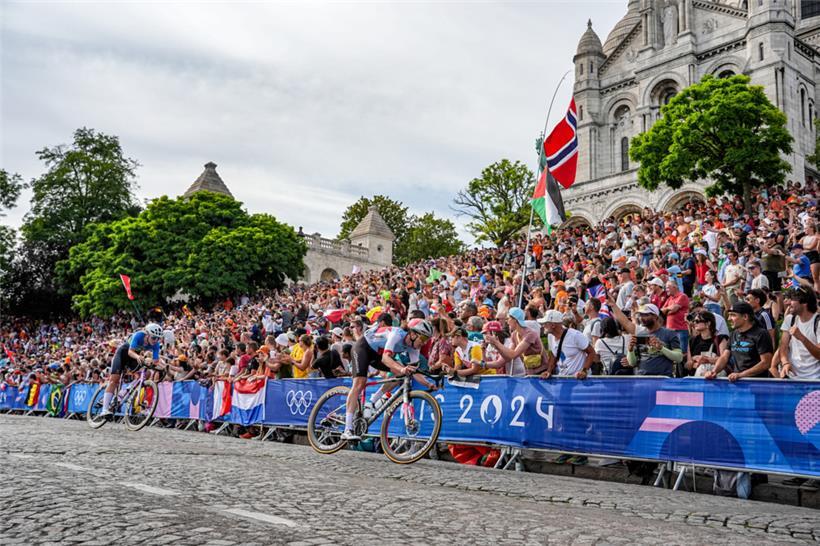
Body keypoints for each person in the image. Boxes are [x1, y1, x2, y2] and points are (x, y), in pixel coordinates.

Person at [341, 318, 434, 441]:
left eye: (426, 340)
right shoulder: (396, 334)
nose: (423, 343)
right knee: (360, 383)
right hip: (363, 348)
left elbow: (415, 372)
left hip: (377, 355)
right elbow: (386, 358)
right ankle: (347, 429)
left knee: (403, 374)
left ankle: (372, 402)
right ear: (412, 333)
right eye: (423, 338)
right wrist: (401, 369)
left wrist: (428, 384)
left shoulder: (414, 348)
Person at [99, 323, 164, 418]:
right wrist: (139, 357)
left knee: (147, 373)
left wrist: (158, 365)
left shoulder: (156, 344)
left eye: (158, 338)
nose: (156, 340)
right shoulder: (139, 335)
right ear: (147, 334)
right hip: (123, 353)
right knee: (114, 380)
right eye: (154, 337)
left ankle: (126, 390)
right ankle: (104, 410)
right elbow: (130, 351)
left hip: (134, 358)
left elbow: (155, 360)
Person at [706, 302, 773, 382]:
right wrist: (714, 371)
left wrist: (741, 375)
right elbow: (724, 357)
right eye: (729, 315)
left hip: (757, 383)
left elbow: (766, 363)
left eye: (733, 315)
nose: (729, 319)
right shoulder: (734, 333)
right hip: (738, 382)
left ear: (745, 317)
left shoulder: (761, 334)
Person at [626, 304, 682, 377]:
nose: (641, 318)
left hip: (663, 378)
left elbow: (679, 358)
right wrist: (630, 350)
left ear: (655, 317)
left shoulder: (670, 333)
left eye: (646, 315)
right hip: (642, 378)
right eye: (640, 315)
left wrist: (661, 348)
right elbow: (632, 363)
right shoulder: (639, 334)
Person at [485, 307, 545, 375]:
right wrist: (496, 346)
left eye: (508, 319)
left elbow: (513, 355)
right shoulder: (514, 334)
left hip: (542, 372)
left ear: (515, 320)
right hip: (529, 373)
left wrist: (496, 342)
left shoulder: (530, 334)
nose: (507, 322)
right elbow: (507, 357)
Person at [538, 310, 596, 379]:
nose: (542, 325)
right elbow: (553, 355)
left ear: (553, 325)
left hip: (579, 381)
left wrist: (584, 371)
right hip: (563, 379)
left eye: (545, 323)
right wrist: (549, 371)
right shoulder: (550, 336)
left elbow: (591, 352)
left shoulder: (575, 335)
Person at [776, 288, 820, 379]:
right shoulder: (790, 319)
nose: (787, 303)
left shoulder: (818, 322)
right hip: (793, 378)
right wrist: (785, 363)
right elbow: (783, 347)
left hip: (815, 379)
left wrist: (802, 338)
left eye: (792, 299)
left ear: (804, 302)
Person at [686, 311, 728, 378]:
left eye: (697, 321)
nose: (694, 323)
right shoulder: (692, 340)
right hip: (696, 378)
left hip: (714, 377)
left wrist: (706, 360)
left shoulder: (720, 339)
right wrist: (693, 363)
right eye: (694, 321)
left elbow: (724, 359)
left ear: (708, 323)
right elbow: (688, 365)